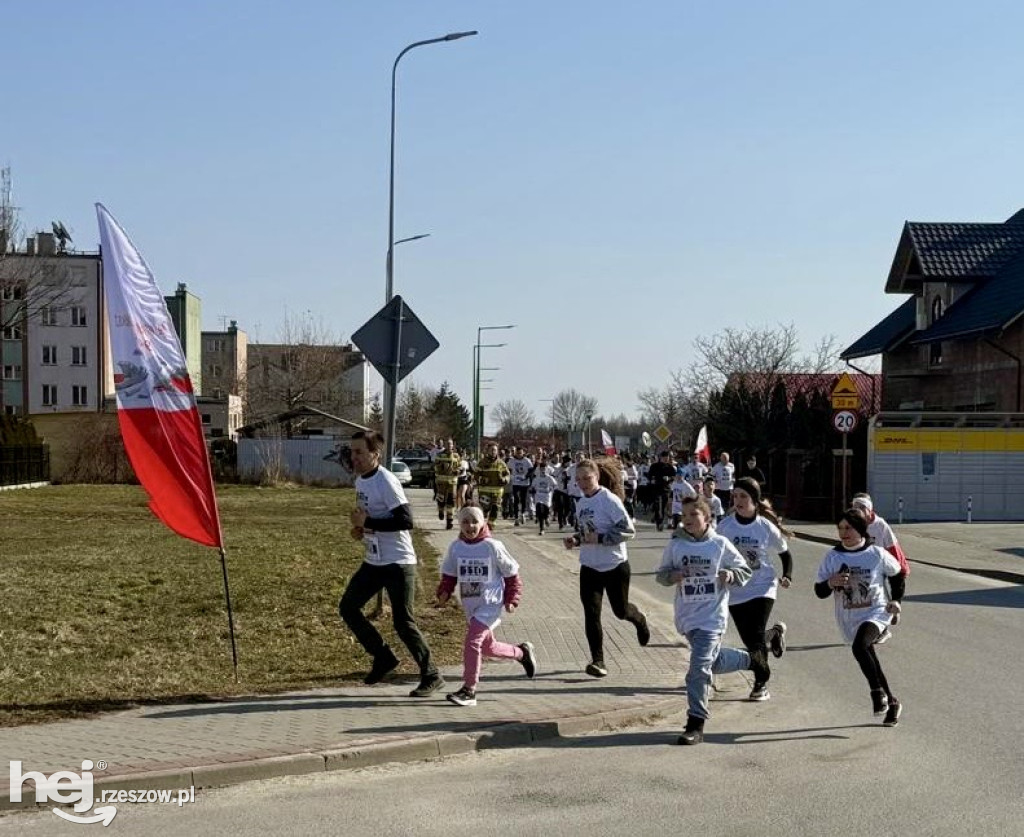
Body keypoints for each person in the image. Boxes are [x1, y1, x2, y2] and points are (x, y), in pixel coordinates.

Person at [340, 430, 444, 697]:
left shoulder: (386, 481)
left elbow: (405, 521)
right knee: (349, 607)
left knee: (402, 621)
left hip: (398, 562)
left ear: (375, 454)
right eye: (352, 452)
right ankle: (383, 657)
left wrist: (369, 524)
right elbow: (369, 516)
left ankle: (431, 673)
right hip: (374, 560)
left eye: (359, 452)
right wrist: (361, 530)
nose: (354, 457)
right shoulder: (361, 481)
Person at [656, 496, 767, 745]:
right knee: (712, 662)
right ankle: (752, 659)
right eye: (684, 516)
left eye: (693, 515)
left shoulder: (719, 544)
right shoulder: (676, 545)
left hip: (712, 617)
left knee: (697, 671)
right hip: (687, 617)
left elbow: (744, 570)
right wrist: (673, 576)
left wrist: (730, 574)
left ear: (706, 518)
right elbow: (661, 576)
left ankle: (695, 723)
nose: (687, 520)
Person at [436, 505, 538, 706]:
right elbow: (449, 574)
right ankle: (521, 653)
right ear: (459, 524)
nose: (470, 526)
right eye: (465, 521)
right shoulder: (456, 547)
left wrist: (512, 599)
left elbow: (512, 575)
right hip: (470, 604)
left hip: (490, 604)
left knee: (472, 642)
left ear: (483, 522)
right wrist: (444, 592)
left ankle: (469, 690)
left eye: (475, 521)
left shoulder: (493, 546)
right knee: (487, 647)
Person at [814, 507, 905, 726]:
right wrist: (830, 582)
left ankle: (876, 693)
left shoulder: (876, 554)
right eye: (841, 528)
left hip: (876, 612)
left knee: (860, 647)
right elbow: (819, 591)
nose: (844, 532)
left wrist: (896, 601)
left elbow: (898, 574)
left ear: (861, 530)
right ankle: (892, 702)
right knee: (868, 655)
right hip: (849, 616)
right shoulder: (833, 556)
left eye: (849, 528)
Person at [563, 458, 649, 677]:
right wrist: (576, 539)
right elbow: (587, 532)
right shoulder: (581, 502)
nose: (583, 483)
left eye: (587, 478)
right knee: (591, 614)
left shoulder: (608, 500)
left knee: (620, 611)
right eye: (579, 479)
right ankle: (598, 660)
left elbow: (628, 530)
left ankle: (639, 619)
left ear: (597, 477)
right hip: (590, 567)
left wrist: (600, 538)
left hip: (614, 565)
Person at [716, 477, 793, 701]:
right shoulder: (725, 526)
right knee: (752, 640)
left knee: (755, 638)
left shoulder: (765, 526)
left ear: (754, 500)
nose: (738, 500)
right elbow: (715, 553)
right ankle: (774, 634)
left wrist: (787, 575)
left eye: (744, 496)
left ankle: (761, 683)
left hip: (763, 586)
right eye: (736, 495)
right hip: (735, 590)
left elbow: (785, 553)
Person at [851, 493, 910, 579]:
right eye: (855, 508)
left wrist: (902, 567)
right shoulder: (850, 524)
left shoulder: (880, 524)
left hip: (877, 567)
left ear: (869, 509)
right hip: (858, 567)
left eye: (862, 507)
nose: (858, 511)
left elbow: (892, 545)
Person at [473, 443, 511, 525]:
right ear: (488, 451)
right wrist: (482, 479)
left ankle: (490, 525)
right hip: (484, 491)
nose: (494, 452)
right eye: (492, 450)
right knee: (484, 509)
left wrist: (505, 479)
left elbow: (507, 474)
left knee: (495, 508)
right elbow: (475, 474)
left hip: (497, 491)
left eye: (495, 450)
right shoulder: (482, 463)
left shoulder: (501, 463)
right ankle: (483, 519)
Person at [433, 438, 461, 530]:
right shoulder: (440, 455)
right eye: (448, 444)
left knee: (451, 501)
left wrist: (458, 471)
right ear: (445, 445)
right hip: (441, 482)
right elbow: (435, 467)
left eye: (451, 444)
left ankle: (450, 520)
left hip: (452, 483)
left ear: (453, 445)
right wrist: (442, 467)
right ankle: (441, 510)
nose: (449, 446)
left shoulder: (456, 456)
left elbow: (460, 466)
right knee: (441, 500)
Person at [647, 450, 676, 531]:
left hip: (666, 489)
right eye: (664, 458)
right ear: (661, 458)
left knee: (662, 507)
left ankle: (660, 521)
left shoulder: (670, 467)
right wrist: (651, 480)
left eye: (667, 458)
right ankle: (659, 523)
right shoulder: (654, 466)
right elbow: (649, 475)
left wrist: (669, 478)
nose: (666, 459)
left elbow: (674, 477)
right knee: (657, 506)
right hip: (656, 489)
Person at [530, 457, 559, 535]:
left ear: (546, 469)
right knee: (540, 511)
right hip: (538, 496)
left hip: (547, 497)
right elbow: (532, 486)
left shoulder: (549, 478)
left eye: (544, 469)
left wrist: (552, 490)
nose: (542, 470)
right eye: (541, 469)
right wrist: (532, 490)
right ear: (539, 470)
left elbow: (556, 485)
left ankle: (547, 518)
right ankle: (541, 529)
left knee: (545, 512)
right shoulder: (537, 478)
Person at [509, 446, 533, 525]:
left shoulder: (527, 460)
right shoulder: (512, 460)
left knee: (523, 499)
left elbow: (531, 470)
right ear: (515, 453)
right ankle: (516, 518)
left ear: (523, 453)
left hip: (524, 483)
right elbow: (508, 470)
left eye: (520, 453)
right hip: (515, 482)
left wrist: (526, 477)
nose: (519, 454)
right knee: (516, 499)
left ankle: (522, 513)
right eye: (517, 453)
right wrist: (511, 476)